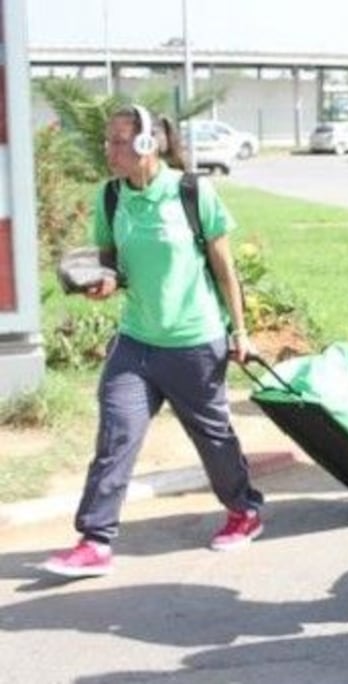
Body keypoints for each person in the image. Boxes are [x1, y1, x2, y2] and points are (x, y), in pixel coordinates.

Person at [42, 104, 264, 578]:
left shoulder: (192, 192)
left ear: (148, 143)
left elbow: (225, 269)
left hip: (194, 342)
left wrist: (240, 331)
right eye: (107, 141)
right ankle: (95, 540)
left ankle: (244, 511)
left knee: (213, 437)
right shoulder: (110, 198)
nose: (109, 151)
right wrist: (105, 282)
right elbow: (111, 262)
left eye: (119, 141)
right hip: (136, 342)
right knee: (116, 435)